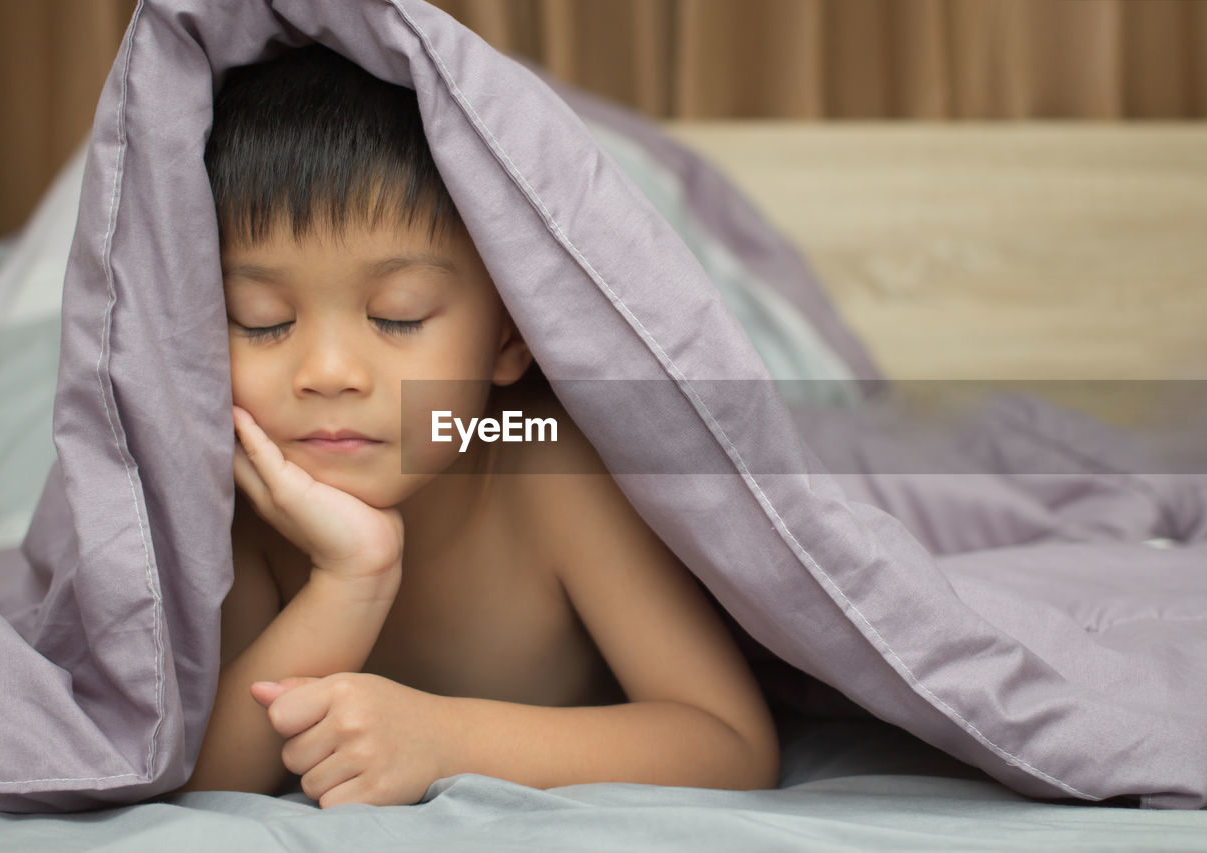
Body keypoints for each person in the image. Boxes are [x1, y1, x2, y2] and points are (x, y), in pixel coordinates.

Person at [175, 44, 779, 808]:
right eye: (260, 321)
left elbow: (731, 743)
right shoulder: (251, 501)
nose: (327, 371)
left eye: (399, 316)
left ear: (508, 336)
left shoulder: (550, 470)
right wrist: (350, 579)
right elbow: (203, 776)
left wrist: (444, 738)